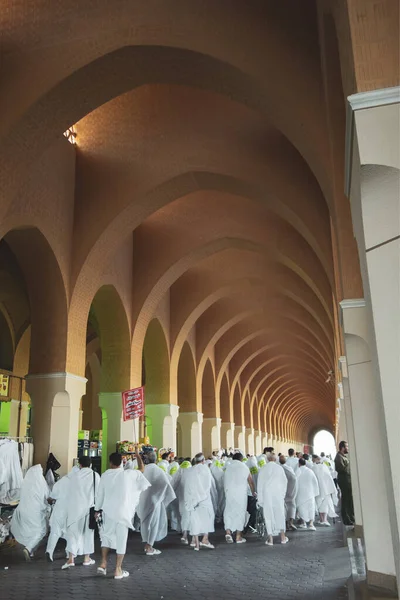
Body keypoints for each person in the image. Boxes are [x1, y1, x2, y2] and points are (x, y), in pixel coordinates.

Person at [95, 451, 150, 579]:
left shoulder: (105, 475)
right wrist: (138, 456)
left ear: (110, 462)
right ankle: (118, 569)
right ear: (122, 462)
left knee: (106, 537)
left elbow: (100, 494)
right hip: (122, 513)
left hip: (108, 512)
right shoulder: (128, 474)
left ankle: (103, 563)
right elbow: (142, 469)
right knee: (121, 540)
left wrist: (97, 510)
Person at [62, 456, 100, 570]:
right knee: (88, 534)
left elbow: (68, 493)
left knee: (73, 534)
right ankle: (86, 558)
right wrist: (98, 509)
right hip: (89, 509)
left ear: (80, 465)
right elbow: (98, 493)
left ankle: (71, 559)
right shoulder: (95, 475)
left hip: (74, 509)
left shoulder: (74, 477)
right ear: (90, 464)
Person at [137, 451, 176, 555]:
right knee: (154, 524)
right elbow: (166, 484)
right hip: (155, 501)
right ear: (156, 459)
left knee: (144, 522)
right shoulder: (158, 470)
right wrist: (159, 495)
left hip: (143, 499)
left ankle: (146, 542)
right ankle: (149, 546)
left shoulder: (143, 470)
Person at [10, 464, 49, 560]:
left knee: (30, 531)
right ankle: (28, 548)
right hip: (36, 512)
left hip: (23, 511)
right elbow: (47, 496)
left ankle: (31, 552)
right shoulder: (41, 483)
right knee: (41, 531)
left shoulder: (25, 483)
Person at [182, 453, 215, 551]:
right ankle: (205, 539)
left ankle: (195, 543)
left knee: (195, 520)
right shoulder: (205, 469)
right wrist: (202, 495)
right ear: (203, 460)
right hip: (205, 499)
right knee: (209, 517)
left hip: (193, 499)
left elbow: (187, 486)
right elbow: (208, 485)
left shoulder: (190, 470)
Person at [46, 465, 79, 561]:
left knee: (54, 532)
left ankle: (49, 551)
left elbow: (52, 497)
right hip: (71, 511)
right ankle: (69, 554)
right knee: (70, 533)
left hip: (58, 509)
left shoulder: (61, 481)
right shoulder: (78, 483)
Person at [223, 452, 256, 544]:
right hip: (240, 494)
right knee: (240, 513)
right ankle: (238, 537)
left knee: (228, 511)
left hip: (229, 493)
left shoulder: (228, 467)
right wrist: (253, 492)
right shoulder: (244, 467)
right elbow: (250, 481)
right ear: (241, 459)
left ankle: (228, 532)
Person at [258, 454, 288, 545]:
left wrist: (260, 499)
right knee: (280, 514)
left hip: (267, 494)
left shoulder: (263, 468)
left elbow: (260, 484)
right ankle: (283, 537)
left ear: (267, 459)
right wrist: (283, 494)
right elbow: (284, 482)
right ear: (276, 459)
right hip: (278, 493)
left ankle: (270, 539)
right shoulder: (279, 468)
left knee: (268, 515)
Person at [312, 455, 338, 526]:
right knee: (325, 503)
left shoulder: (313, 468)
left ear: (315, 460)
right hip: (326, 488)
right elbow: (329, 477)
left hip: (318, 488)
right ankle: (325, 519)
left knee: (319, 504)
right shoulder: (324, 467)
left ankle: (321, 519)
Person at [334, 441, 355, 526]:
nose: (348, 448)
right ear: (342, 448)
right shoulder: (339, 457)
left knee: (349, 500)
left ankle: (350, 517)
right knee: (346, 500)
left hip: (347, 480)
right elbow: (342, 469)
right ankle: (346, 519)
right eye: (346, 446)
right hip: (344, 481)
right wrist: (351, 464)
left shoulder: (342, 456)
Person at [295, 458, 319, 531]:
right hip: (310, 493)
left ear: (299, 464)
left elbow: (295, 482)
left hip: (300, 493)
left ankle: (304, 523)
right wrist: (315, 491)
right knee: (311, 508)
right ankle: (311, 524)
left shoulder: (297, 471)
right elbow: (315, 481)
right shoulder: (310, 471)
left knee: (301, 508)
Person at [279, 455, 298, 531]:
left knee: (284, 507)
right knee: (292, 506)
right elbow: (294, 479)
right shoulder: (289, 468)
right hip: (290, 490)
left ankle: (286, 523)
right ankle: (290, 523)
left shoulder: (279, 468)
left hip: (284, 490)